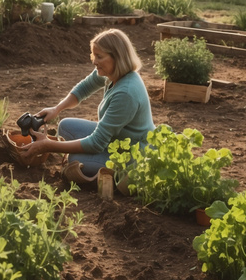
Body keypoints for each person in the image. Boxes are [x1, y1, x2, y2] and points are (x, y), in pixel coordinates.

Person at [20, 28, 155, 176]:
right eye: (94, 55)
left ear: (117, 57)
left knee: (76, 161)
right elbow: (84, 88)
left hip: (132, 152)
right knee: (65, 126)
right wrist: (57, 109)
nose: (94, 61)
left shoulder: (126, 93)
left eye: (99, 56)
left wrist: (48, 146)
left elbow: (97, 142)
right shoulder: (112, 72)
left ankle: (122, 173)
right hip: (115, 139)